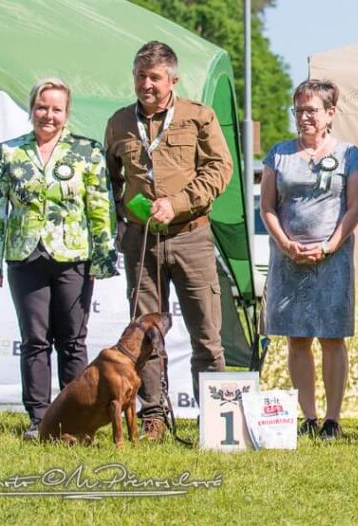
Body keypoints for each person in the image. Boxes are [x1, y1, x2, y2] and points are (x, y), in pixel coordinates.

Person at [104, 41, 232, 440]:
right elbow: (109, 179)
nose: (146, 84)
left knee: (207, 336)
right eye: (140, 76)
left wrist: (176, 203)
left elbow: (219, 170)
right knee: (144, 336)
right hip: (142, 243)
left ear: (172, 80)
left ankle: (215, 420)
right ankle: (153, 416)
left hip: (191, 237)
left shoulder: (198, 117)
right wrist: (122, 218)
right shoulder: (120, 121)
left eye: (154, 77)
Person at [0, 78, 118, 441]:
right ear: (32, 109)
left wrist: (104, 258)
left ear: (66, 113)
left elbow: (101, 207)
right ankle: (39, 418)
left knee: (73, 339)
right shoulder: (9, 152)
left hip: (75, 257)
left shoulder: (86, 152)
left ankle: (75, 418)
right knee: (35, 340)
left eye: (56, 109)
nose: (48, 115)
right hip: (25, 256)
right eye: (42, 107)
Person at [259, 80, 358, 441]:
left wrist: (330, 246)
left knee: (332, 338)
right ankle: (308, 416)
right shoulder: (278, 154)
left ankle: (333, 419)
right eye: (299, 110)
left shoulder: (351, 155)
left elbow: (355, 207)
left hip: (332, 258)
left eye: (312, 110)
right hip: (288, 258)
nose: (304, 117)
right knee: (298, 338)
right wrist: (286, 244)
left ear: (330, 114)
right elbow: (267, 207)